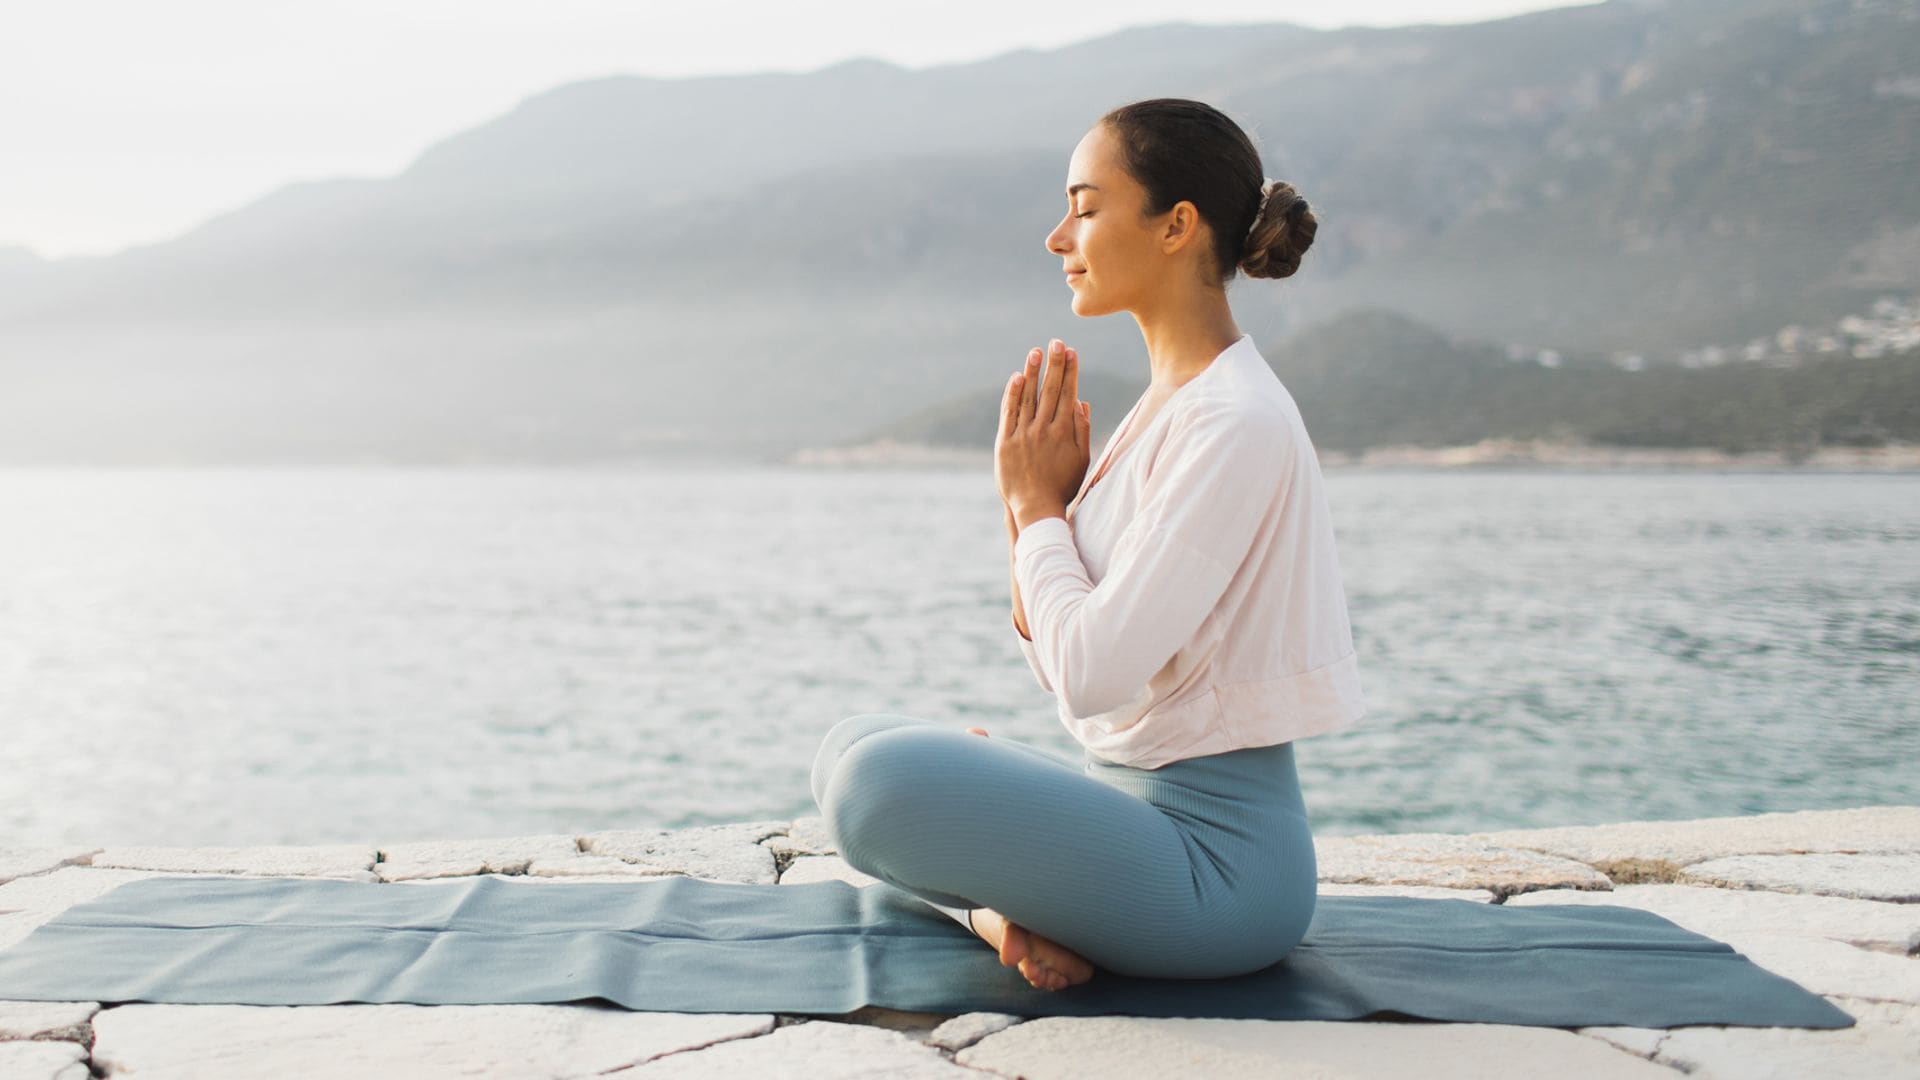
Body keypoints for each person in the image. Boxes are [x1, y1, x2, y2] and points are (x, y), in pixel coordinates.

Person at [810, 98, 1365, 992]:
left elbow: (1090, 672)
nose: (1058, 236)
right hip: (1127, 804)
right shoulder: (1168, 409)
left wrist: (1036, 508)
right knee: (850, 744)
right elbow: (1062, 655)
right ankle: (1004, 913)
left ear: (1177, 225)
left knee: (878, 784)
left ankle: (996, 908)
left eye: (1087, 205)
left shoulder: (1236, 422)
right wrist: (1030, 510)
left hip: (1219, 875)